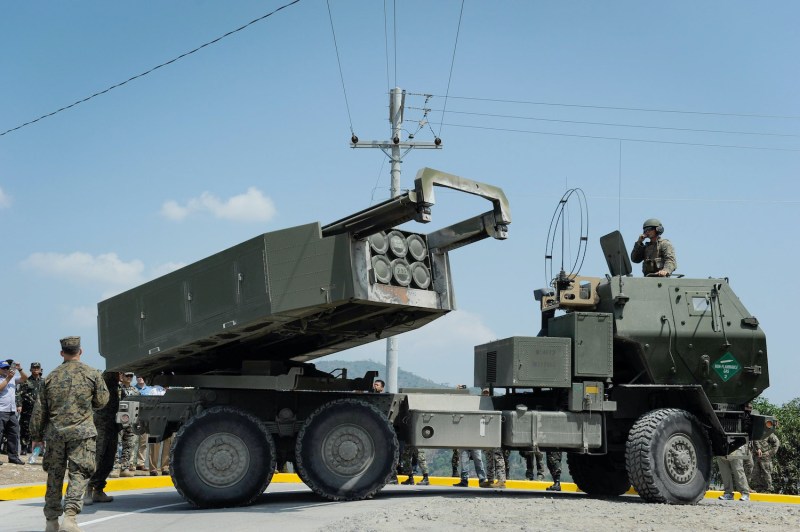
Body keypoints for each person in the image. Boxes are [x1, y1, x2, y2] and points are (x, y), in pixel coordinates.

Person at [30, 336, 109, 532]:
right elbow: (102, 401)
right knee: (79, 474)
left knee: (54, 476)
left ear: (61, 353)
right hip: (82, 434)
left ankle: (51, 521)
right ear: (80, 352)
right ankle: (70, 518)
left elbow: (39, 411)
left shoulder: (50, 377)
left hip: (55, 435)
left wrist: (36, 437)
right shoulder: (92, 374)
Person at [85, 371, 121, 505]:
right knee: (96, 458)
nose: (120, 376)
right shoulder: (102, 384)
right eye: (117, 374)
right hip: (100, 426)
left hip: (112, 425)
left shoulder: (116, 387)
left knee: (109, 459)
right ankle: (87, 489)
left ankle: (98, 490)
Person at [0, 359, 27, 465]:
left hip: (11, 411)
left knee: (14, 434)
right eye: (3, 368)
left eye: (7, 368)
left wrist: (19, 369)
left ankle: (13, 457)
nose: (6, 370)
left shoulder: (12, 379)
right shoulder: (7, 378)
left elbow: (25, 378)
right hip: (1, 410)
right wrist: (8, 378)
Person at [17, 361, 45, 456]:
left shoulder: (44, 381)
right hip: (27, 409)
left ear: (40, 369)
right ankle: (24, 448)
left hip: (40, 410)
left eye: (37, 368)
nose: (36, 369)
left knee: (40, 429)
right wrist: (19, 405)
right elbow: (19, 394)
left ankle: (38, 450)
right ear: (31, 369)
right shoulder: (26, 381)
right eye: (34, 368)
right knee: (25, 429)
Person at [117, 372, 139, 477]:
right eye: (127, 376)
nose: (129, 378)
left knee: (129, 444)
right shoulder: (118, 389)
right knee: (117, 444)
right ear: (122, 377)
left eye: (131, 376)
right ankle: (115, 467)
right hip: (119, 420)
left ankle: (124, 467)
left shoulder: (135, 390)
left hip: (131, 420)